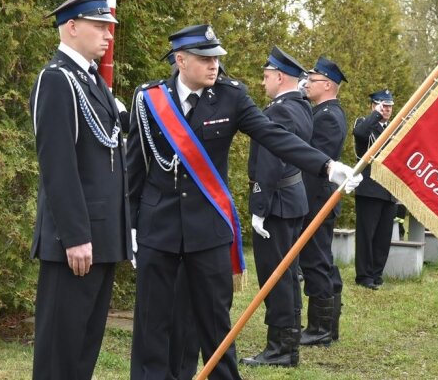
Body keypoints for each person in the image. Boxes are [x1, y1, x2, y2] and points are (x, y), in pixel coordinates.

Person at [127, 26, 361, 379]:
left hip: (208, 231)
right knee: (152, 325)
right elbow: (135, 166)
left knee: (216, 325)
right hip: (157, 229)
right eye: (206, 59)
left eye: (217, 58)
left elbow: (274, 136)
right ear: (181, 60)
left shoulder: (231, 97)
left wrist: (327, 166)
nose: (214, 66)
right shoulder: (148, 99)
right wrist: (128, 223)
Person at [29, 0, 132, 379]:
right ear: (71, 27)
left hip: (101, 239)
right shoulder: (56, 80)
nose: (108, 35)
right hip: (75, 242)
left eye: (109, 27)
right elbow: (57, 166)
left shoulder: (91, 81)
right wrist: (74, 235)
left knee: (83, 349)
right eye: (100, 26)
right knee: (60, 352)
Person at [241, 46, 314, 368]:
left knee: (276, 276)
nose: (262, 82)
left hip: (278, 203)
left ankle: (281, 348)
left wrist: (259, 205)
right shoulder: (301, 107)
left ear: (281, 77)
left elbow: (270, 163)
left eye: (267, 76)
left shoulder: (279, 112)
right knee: (288, 273)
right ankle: (287, 341)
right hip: (292, 198)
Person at [299, 57, 349, 347]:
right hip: (318, 200)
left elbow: (316, 167)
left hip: (316, 200)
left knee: (315, 262)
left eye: (313, 79)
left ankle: (320, 328)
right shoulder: (323, 112)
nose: (307, 83)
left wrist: (301, 203)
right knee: (321, 260)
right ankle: (327, 325)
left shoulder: (328, 115)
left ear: (328, 84)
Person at [353, 89, 397, 290]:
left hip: (388, 188)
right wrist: (376, 115)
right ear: (373, 105)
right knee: (366, 234)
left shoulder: (394, 128)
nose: (387, 110)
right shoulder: (365, 124)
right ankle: (364, 275)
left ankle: (376, 273)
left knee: (383, 235)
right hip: (369, 188)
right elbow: (360, 134)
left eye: (389, 106)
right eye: (383, 105)